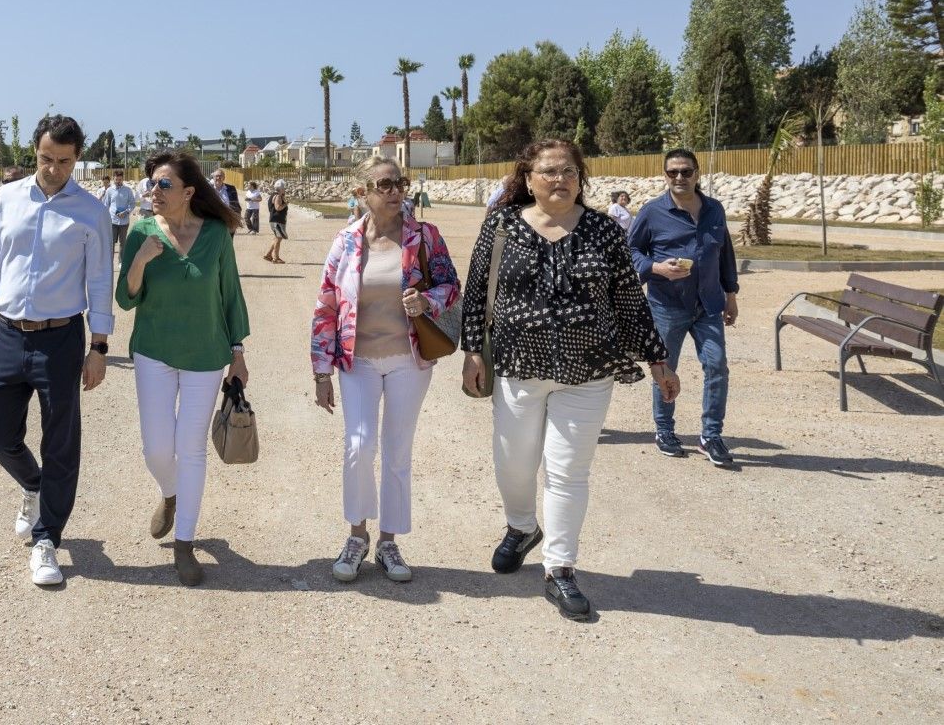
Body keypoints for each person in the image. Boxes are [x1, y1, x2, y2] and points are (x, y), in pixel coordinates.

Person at [459, 138, 675, 620]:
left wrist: (657, 359)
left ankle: (559, 569)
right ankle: (520, 526)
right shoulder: (501, 225)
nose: (560, 180)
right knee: (513, 464)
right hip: (517, 367)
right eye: (549, 171)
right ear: (528, 177)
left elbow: (628, 301)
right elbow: (475, 293)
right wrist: (472, 350)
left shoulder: (603, 230)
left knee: (568, 472)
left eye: (570, 172)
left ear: (582, 178)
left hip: (589, 369)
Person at [0, 115, 114, 588]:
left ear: (76, 158)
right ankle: (34, 485)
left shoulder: (91, 212)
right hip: (7, 334)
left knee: (61, 440)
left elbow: (100, 280)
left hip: (61, 339)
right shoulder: (6, 199)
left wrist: (99, 345)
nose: (54, 169)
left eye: (64, 161)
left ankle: (47, 540)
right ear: (34, 153)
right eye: (46, 159)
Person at [311, 156, 459, 583]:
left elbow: (451, 286)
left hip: (408, 361)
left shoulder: (424, 236)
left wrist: (427, 302)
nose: (394, 190)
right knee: (359, 445)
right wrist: (322, 371)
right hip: (356, 362)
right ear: (362, 193)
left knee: (397, 451)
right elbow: (326, 305)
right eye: (383, 184)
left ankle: (389, 541)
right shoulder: (346, 241)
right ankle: (356, 535)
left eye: (400, 182)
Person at [118, 152, 249, 586]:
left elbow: (229, 293)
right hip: (154, 350)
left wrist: (238, 351)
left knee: (190, 447)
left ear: (189, 192)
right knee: (156, 448)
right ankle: (170, 493)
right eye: (151, 184)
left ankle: (185, 545)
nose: (153, 192)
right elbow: (126, 298)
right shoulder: (140, 232)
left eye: (163, 185)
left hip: (205, 355)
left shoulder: (216, 234)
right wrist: (141, 260)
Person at [628, 150, 740, 467]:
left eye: (686, 172)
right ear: (665, 175)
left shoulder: (714, 210)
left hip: (708, 304)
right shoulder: (651, 212)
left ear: (697, 173)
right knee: (664, 370)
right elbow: (630, 251)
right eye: (673, 172)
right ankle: (665, 431)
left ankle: (711, 436)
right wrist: (657, 268)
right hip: (666, 305)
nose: (680, 177)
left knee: (717, 366)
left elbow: (724, 254)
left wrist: (731, 294)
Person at [102, 167, 136, 256]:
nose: (118, 181)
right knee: (111, 243)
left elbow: (132, 203)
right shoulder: (109, 191)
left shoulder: (128, 190)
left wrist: (126, 212)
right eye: (116, 179)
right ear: (113, 178)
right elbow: (105, 205)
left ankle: (121, 263)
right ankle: (109, 263)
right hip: (112, 221)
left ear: (122, 179)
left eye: (120, 179)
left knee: (123, 243)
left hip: (124, 222)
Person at [265, 183, 289, 263]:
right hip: (277, 221)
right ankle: (276, 258)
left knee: (276, 238)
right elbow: (278, 208)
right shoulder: (277, 196)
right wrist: (286, 204)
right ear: (280, 188)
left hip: (275, 220)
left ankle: (268, 254)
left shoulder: (274, 195)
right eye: (284, 188)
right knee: (278, 239)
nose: (285, 189)